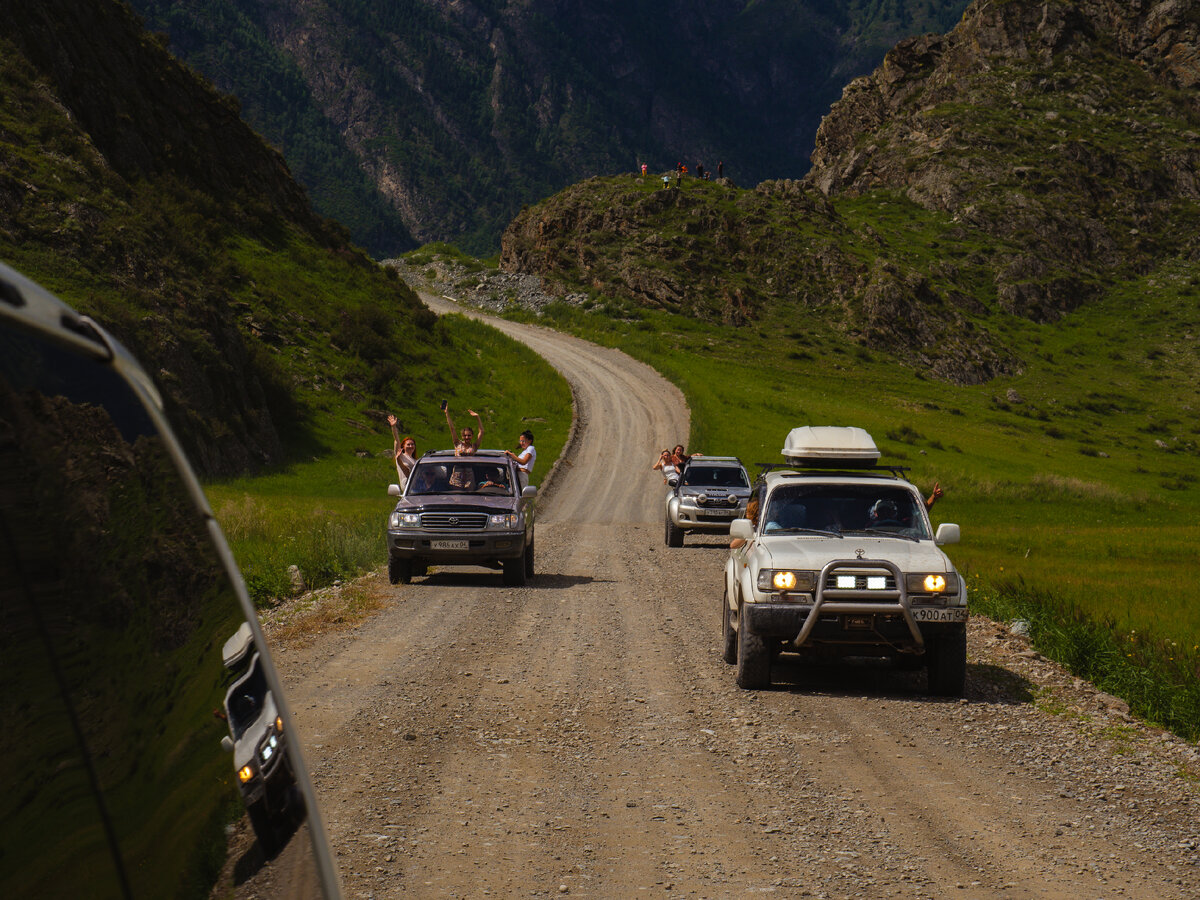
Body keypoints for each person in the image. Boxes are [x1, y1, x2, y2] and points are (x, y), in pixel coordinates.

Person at [388, 413, 417, 488]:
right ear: (403, 446)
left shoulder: (416, 461)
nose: (411, 446)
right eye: (408, 444)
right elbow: (397, 440)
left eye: (412, 444)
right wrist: (394, 427)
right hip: (407, 490)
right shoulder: (400, 456)